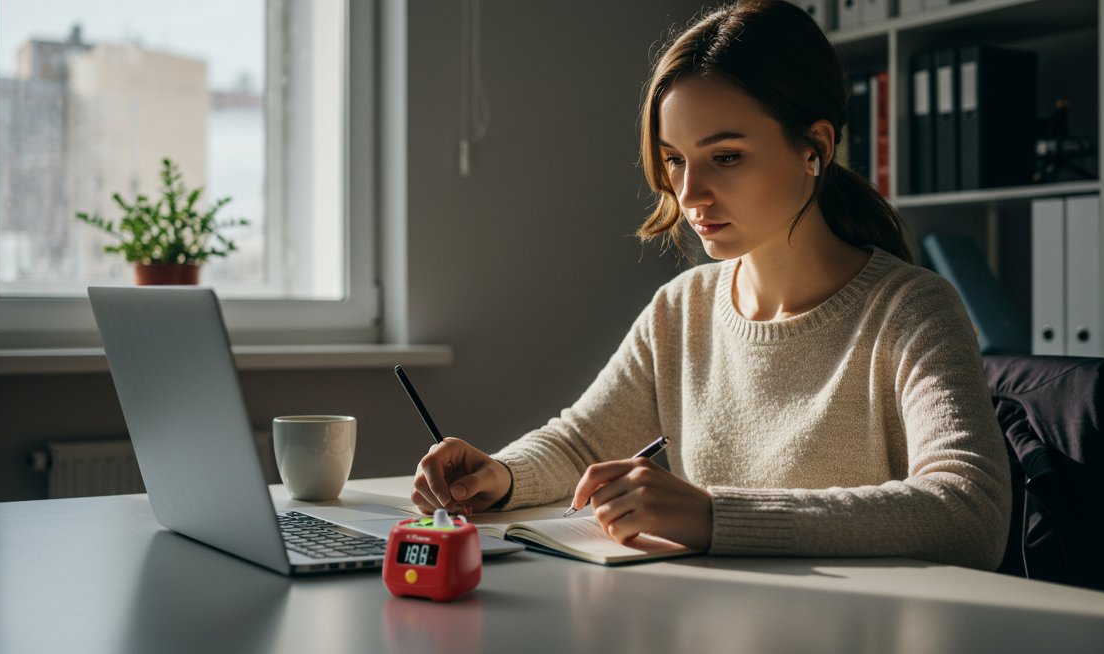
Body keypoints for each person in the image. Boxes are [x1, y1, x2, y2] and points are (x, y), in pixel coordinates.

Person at [411, 0, 1011, 570]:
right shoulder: (683, 308)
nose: (689, 194)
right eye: (674, 159)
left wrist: (714, 515)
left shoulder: (911, 310)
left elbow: (969, 514)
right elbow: (581, 445)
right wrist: (500, 476)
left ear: (816, 149)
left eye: (725, 157)